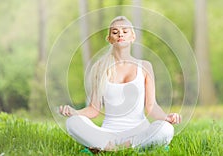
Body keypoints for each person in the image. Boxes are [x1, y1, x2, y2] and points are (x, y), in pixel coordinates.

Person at [59, 16, 181, 152]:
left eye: (125, 31)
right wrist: (75, 112)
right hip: (108, 134)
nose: (120, 34)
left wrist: (166, 117)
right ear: (110, 39)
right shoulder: (100, 68)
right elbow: (94, 109)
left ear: (132, 37)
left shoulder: (145, 66)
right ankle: (126, 147)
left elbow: (151, 107)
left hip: (139, 132)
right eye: (115, 32)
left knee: (166, 129)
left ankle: (113, 148)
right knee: (72, 122)